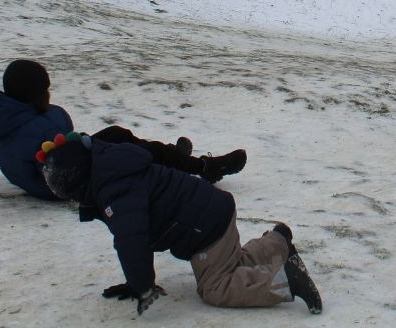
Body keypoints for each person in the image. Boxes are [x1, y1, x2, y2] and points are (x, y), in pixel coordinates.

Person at [37, 131, 322, 315]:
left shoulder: (115, 189)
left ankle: (285, 281)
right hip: (211, 214)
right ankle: (279, 241)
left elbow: (131, 240)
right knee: (232, 263)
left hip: (205, 228)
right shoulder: (112, 170)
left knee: (215, 287)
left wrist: (141, 285)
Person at [0, 59, 247, 201]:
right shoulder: (35, 126)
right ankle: (201, 167)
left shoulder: (7, 116)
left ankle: (174, 159)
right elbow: (60, 134)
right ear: (34, 94)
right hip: (64, 184)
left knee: (120, 139)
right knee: (128, 150)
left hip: (54, 176)